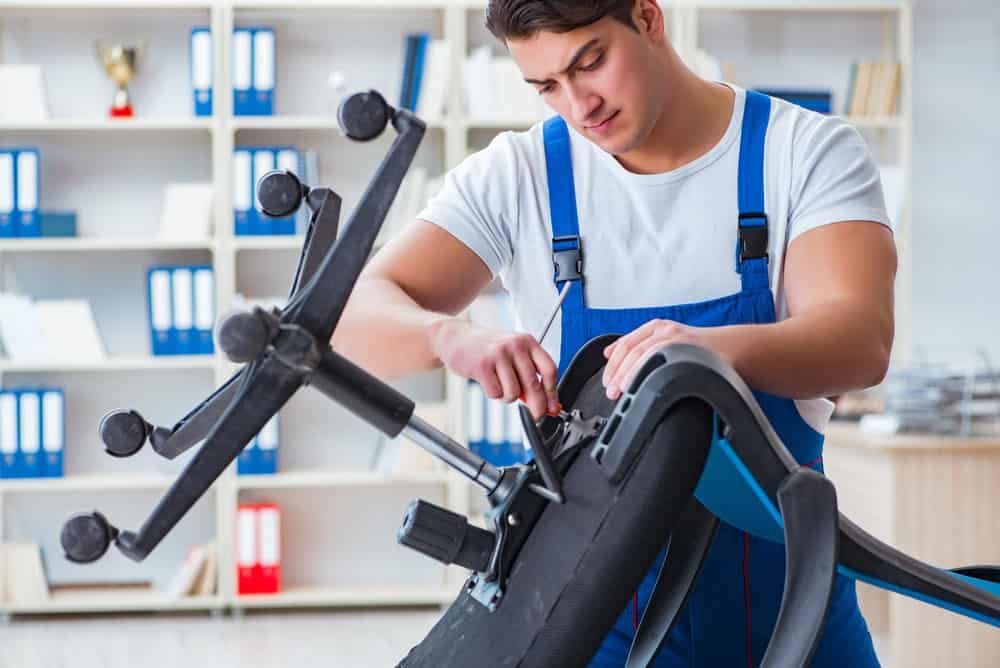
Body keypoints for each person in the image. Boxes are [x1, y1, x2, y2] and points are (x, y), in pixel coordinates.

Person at [332, 0, 896, 665]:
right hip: (593, 617)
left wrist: (703, 354)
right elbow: (352, 315)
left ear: (649, 18)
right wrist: (447, 337)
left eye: (590, 62)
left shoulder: (801, 150)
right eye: (545, 86)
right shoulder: (522, 174)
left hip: (789, 604)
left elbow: (859, 340)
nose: (578, 105)